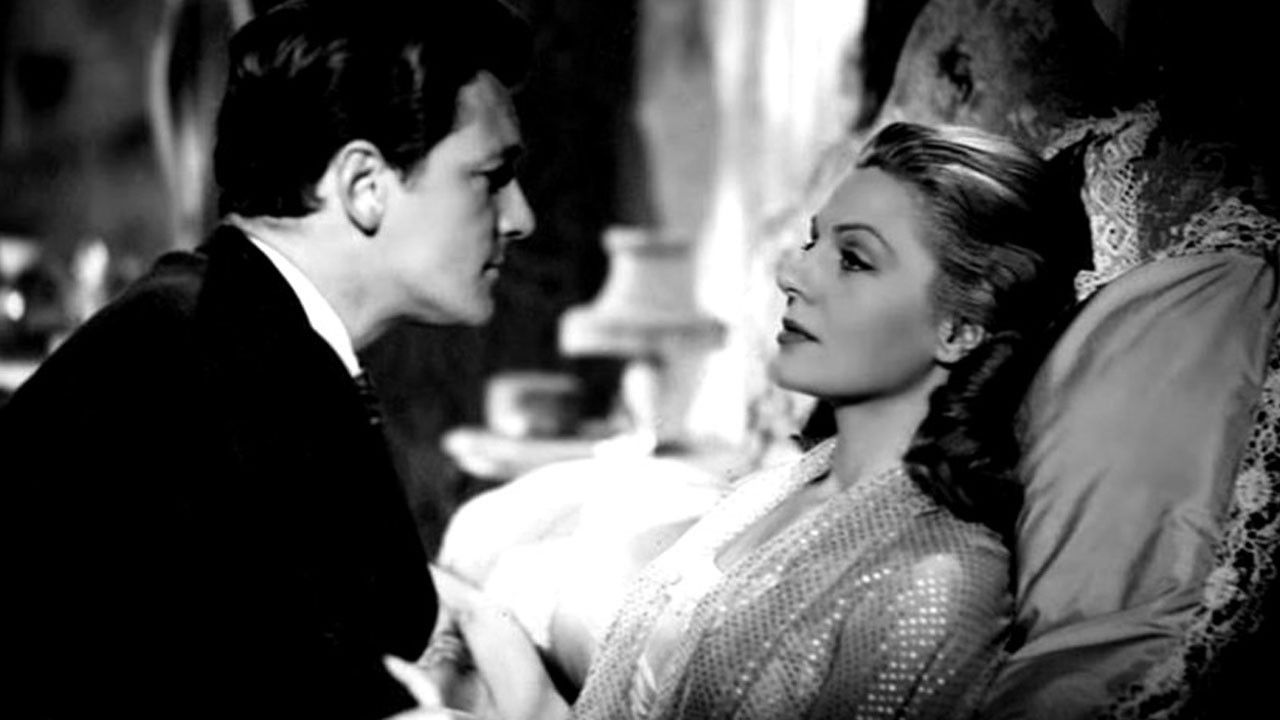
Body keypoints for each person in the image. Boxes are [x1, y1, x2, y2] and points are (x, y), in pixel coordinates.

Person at [395, 121, 1093, 719]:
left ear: (960, 329)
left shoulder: (939, 585)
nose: (793, 274)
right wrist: (480, 623)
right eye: (813, 242)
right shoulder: (777, 489)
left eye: (853, 259)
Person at [3, 1, 534, 718]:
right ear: (364, 186)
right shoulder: (202, 362)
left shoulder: (253, 330)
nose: (521, 217)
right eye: (492, 176)